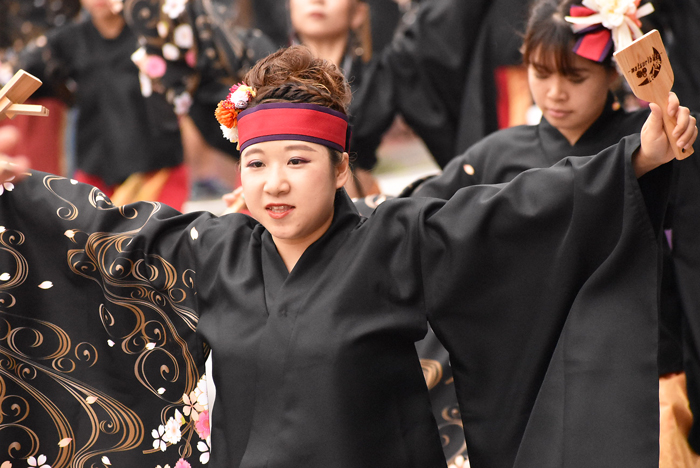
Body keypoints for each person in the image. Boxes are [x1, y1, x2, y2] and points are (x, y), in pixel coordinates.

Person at [0, 44, 696, 467]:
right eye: (256, 162)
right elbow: (100, 235)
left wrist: (636, 157)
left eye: (298, 160)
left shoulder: (394, 241)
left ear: (339, 169)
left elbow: (513, 211)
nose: (274, 183)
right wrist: (17, 188)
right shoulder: (215, 250)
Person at [377, 0, 698, 465]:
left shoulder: (651, 137)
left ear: (614, 74)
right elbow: (419, 216)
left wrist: (675, 143)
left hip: (637, 357)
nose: (555, 93)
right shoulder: (495, 153)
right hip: (525, 361)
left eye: (574, 78)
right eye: (540, 73)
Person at [15, 0, 189, 210]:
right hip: (96, 167)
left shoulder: (155, 33)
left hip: (157, 165)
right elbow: (24, 74)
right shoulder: (66, 40)